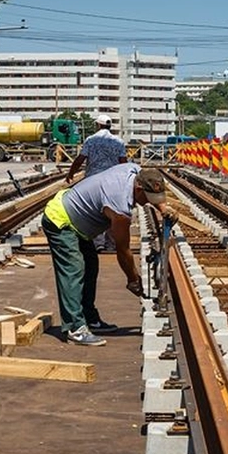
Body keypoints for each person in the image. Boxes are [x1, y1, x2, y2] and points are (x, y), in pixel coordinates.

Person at [41, 164, 165, 346]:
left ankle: (89, 318)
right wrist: (132, 279)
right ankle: (75, 328)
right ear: (138, 188)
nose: (148, 202)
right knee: (74, 270)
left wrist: (164, 209)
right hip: (61, 220)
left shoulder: (134, 170)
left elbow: (151, 185)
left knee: (91, 265)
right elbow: (123, 250)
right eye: (147, 198)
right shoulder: (120, 206)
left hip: (77, 221)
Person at [65, 114, 127, 257]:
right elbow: (123, 161)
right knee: (112, 211)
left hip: (93, 181)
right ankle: (111, 244)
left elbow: (80, 159)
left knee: (95, 212)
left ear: (98, 125)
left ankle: (97, 244)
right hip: (113, 181)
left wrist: (71, 173)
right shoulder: (118, 141)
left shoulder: (91, 140)